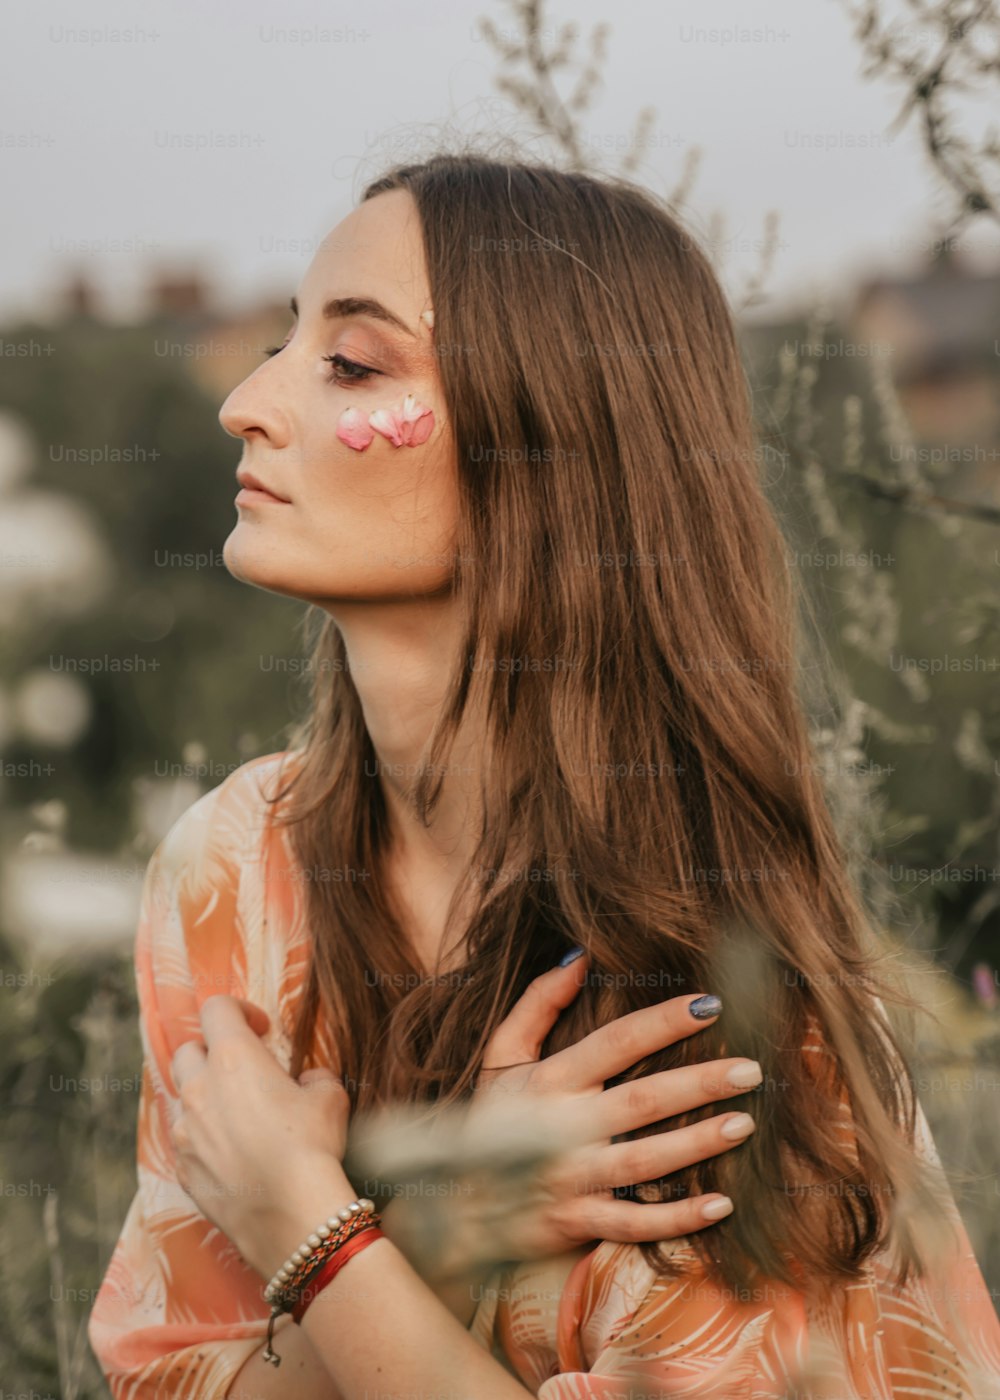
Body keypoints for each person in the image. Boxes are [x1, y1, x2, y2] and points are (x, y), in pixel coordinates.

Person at [88, 152, 1000, 1398]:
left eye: (351, 364)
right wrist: (435, 1227)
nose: (246, 402)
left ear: (551, 444)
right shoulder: (235, 862)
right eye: (281, 344)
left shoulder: (725, 997)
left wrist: (312, 1233)